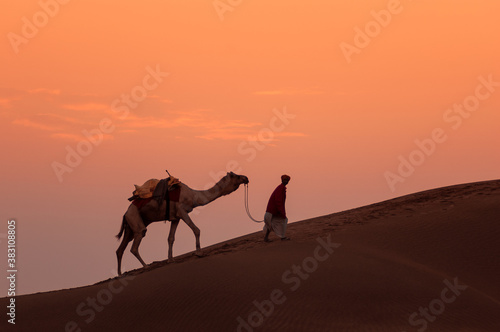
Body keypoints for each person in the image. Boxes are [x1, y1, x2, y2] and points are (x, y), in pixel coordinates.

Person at [264, 174, 291, 242]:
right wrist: (281, 212)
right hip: (273, 210)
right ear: (282, 180)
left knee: (271, 224)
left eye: (286, 180)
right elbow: (278, 201)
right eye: (285, 180)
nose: (286, 181)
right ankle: (282, 237)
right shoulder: (280, 188)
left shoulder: (281, 188)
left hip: (274, 211)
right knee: (283, 221)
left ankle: (267, 238)